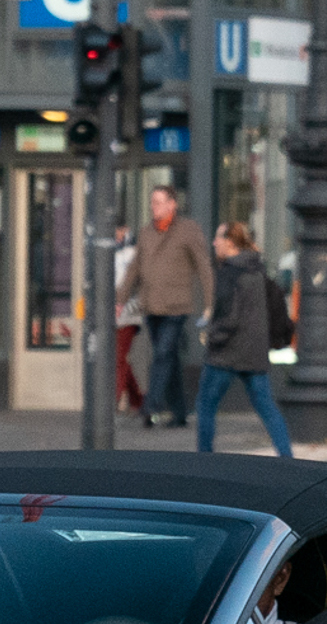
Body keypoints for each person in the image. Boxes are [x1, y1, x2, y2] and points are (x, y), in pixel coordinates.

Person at [195, 221, 294, 458]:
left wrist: (212, 337)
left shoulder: (230, 272)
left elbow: (230, 316)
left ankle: (203, 458)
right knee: (266, 406)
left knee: (206, 404)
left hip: (226, 352)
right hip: (255, 351)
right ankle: (286, 456)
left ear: (230, 243)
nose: (214, 242)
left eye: (218, 238)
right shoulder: (257, 269)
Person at [120, 185, 209, 428]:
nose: (154, 207)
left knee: (162, 354)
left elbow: (203, 267)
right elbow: (134, 269)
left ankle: (152, 405)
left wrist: (210, 303)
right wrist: (121, 299)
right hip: (152, 305)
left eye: (159, 202)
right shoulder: (147, 232)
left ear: (172, 204)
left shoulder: (188, 230)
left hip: (176, 306)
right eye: (152, 203)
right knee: (169, 358)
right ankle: (180, 413)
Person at [113, 222, 145, 415]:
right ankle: (138, 399)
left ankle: (115, 399)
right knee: (119, 356)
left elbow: (137, 283)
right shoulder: (107, 250)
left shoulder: (133, 252)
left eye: (117, 231)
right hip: (110, 309)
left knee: (119, 356)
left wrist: (131, 306)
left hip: (128, 311)